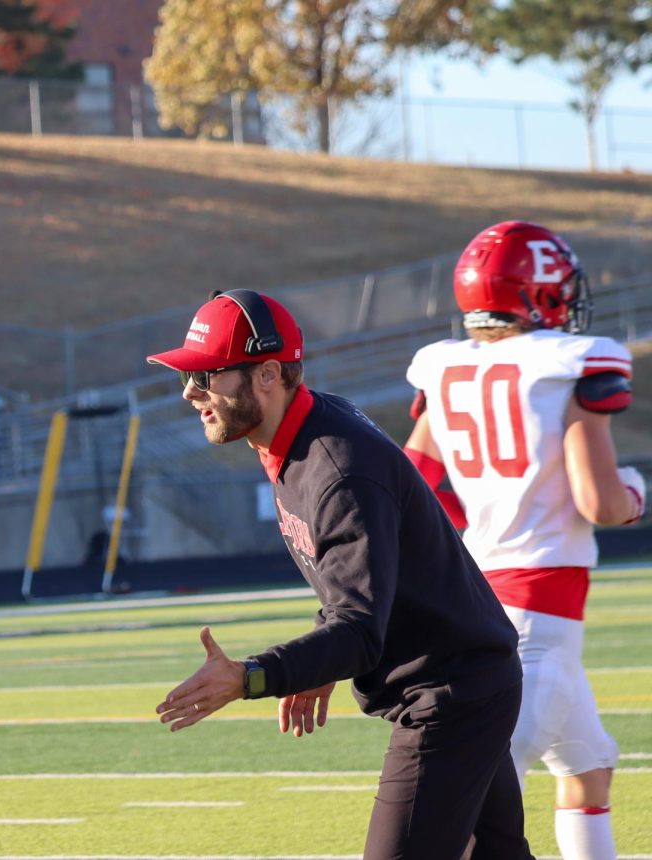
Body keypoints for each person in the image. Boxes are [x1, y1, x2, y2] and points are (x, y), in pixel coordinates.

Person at [146, 290, 533, 860]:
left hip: (451, 693)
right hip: (465, 676)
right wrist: (322, 658)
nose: (191, 393)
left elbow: (358, 630)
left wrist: (250, 676)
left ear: (269, 374)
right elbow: (359, 580)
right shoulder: (293, 432)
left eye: (208, 376)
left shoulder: (335, 466)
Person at [403, 221, 645, 860]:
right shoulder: (565, 366)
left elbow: (418, 486)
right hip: (539, 617)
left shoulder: (445, 367)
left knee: (588, 766)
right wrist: (637, 492)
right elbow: (601, 503)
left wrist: (484, 511)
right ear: (538, 293)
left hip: (476, 602)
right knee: (475, 808)